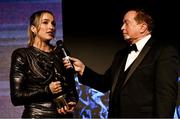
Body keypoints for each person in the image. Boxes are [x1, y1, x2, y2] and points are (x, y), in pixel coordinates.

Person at [63, 8, 179, 118]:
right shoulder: (121, 55)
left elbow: (166, 97)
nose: (122, 27)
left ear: (142, 27)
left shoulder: (163, 51)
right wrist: (83, 69)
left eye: (126, 23)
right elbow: (104, 83)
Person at [10, 10, 78, 118]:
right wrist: (47, 90)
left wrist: (72, 100)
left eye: (53, 24)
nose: (51, 27)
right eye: (45, 22)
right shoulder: (22, 55)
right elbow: (16, 97)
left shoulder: (61, 53)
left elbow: (71, 88)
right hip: (37, 115)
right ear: (33, 29)